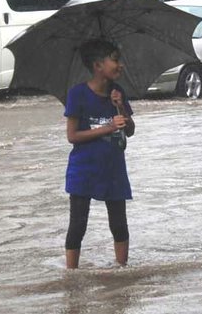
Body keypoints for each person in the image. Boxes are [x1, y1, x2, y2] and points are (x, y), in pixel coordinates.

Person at [63, 38, 136, 269]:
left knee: (119, 224)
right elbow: (72, 136)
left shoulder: (118, 92)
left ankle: (122, 270)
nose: (120, 65)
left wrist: (121, 108)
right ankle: (71, 276)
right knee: (78, 226)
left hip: (113, 169)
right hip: (84, 170)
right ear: (98, 65)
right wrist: (108, 128)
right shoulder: (78, 94)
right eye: (115, 60)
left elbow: (131, 130)